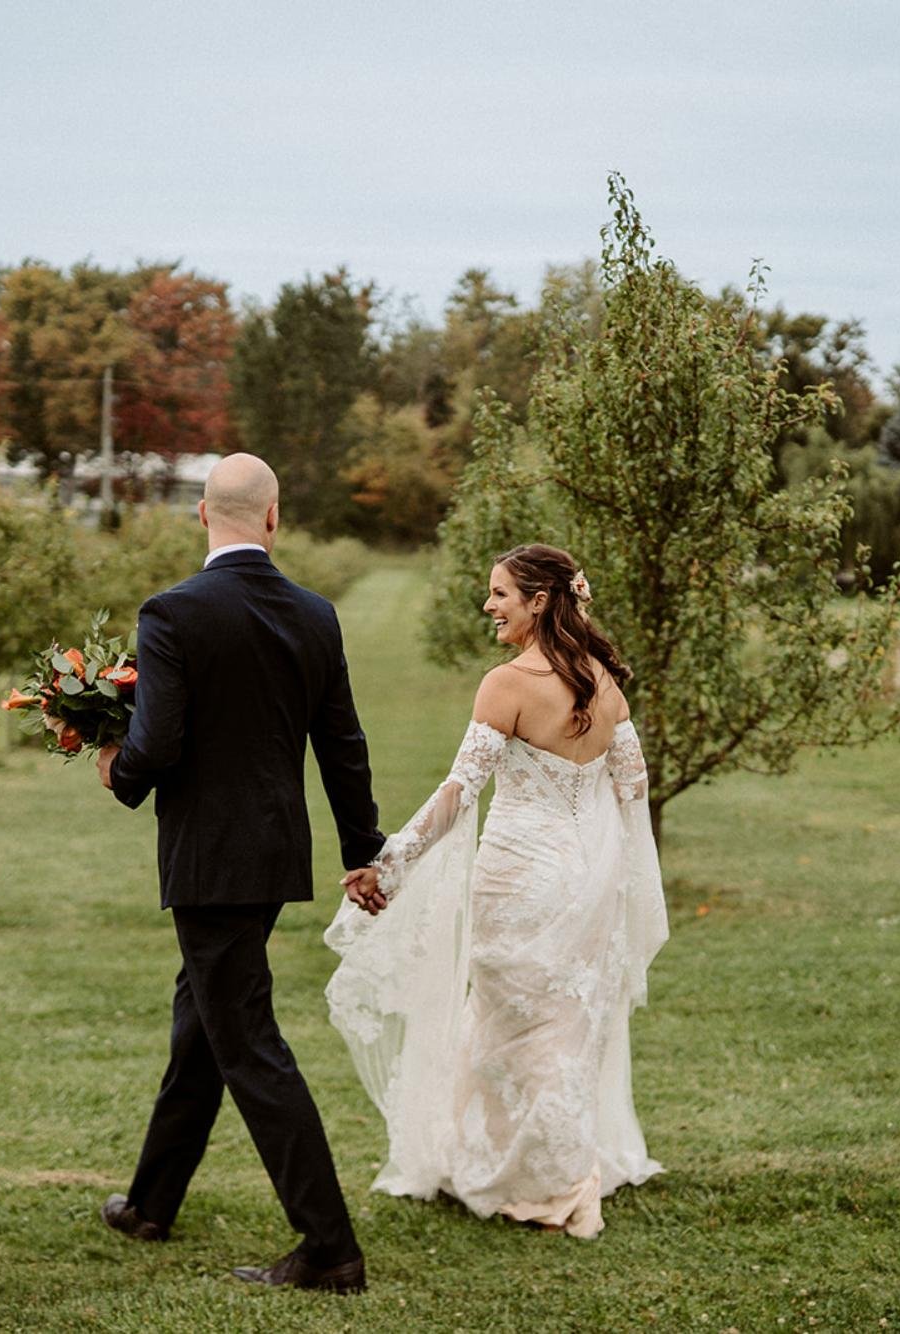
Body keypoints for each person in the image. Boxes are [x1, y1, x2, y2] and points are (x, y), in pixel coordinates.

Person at [94, 453, 381, 1295]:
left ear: (200, 517)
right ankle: (150, 1202)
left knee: (247, 1042)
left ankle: (329, 1249)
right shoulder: (314, 613)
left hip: (209, 863)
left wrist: (117, 769)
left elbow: (158, 741)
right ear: (273, 517)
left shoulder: (173, 612)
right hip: (272, 856)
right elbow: (343, 743)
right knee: (206, 1020)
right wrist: (358, 846)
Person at [329, 543, 668, 1239]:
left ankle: (549, 1183)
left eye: (500, 594)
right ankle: (554, 1168)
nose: (489, 605)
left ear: (539, 601)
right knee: (565, 1033)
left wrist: (388, 865)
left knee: (510, 1029)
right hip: (589, 881)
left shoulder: (506, 684)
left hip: (518, 878)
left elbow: (460, 792)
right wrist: (593, 846)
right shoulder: (604, 683)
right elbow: (632, 786)